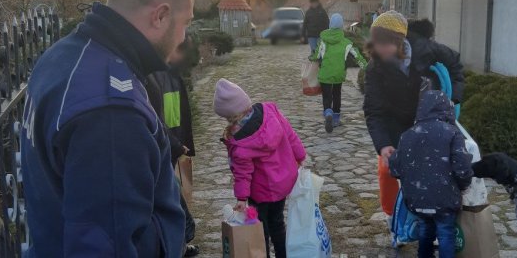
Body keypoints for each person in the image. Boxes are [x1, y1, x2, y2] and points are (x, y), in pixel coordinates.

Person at [20, 0, 193, 257]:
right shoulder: (111, 112)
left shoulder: (64, 55)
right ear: (161, 16)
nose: (183, 37)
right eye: (185, 23)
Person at [363, 11, 465, 240]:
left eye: (385, 43)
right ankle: (393, 218)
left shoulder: (428, 50)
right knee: (386, 168)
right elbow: (374, 111)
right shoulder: (374, 68)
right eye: (376, 43)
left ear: (399, 41)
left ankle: (436, 218)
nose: (379, 49)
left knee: (437, 169)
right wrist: (383, 145)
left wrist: (453, 99)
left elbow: (456, 67)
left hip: (431, 120)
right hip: (395, 122)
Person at [214, 78, 307, 258]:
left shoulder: (241, 143)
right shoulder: (270, 110)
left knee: (259, 227)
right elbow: (290, 134)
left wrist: (241, 198)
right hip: (282, 183)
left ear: (230, 116)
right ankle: (283, 254)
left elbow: (243, 174)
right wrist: (300, 155)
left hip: (261, 191)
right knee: (278, 223)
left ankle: (262, 254)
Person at [389, 89, 473, 258]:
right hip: (445, 198)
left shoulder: (407, 135)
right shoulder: (452, 133)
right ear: (446, 108)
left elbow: (395, 168)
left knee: (425, 232)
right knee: (446, 234)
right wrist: (463, 185)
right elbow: (462, 167)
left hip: (417, 199)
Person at [146, 39, 199, 257]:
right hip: (163, 145)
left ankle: (182, 240)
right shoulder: (152, 74)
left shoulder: (169, 72)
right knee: (169, 194)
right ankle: (183, 238)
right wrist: (176, 144)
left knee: (171, 193)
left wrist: (183, 142)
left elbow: (178, 112)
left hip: (172, 144)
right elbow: (155, 119)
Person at [311, 13, 367, 133]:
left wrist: (311, 58)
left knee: (326, 96)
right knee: (337, 95)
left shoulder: (323, 40)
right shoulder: (346, 42)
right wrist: (366, 67)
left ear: (330, 24)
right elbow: (357, 56)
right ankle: (336, 119)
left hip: (325, 74)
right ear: (341, 26)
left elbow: (316, 55)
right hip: (338, 74)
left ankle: (328, 113)